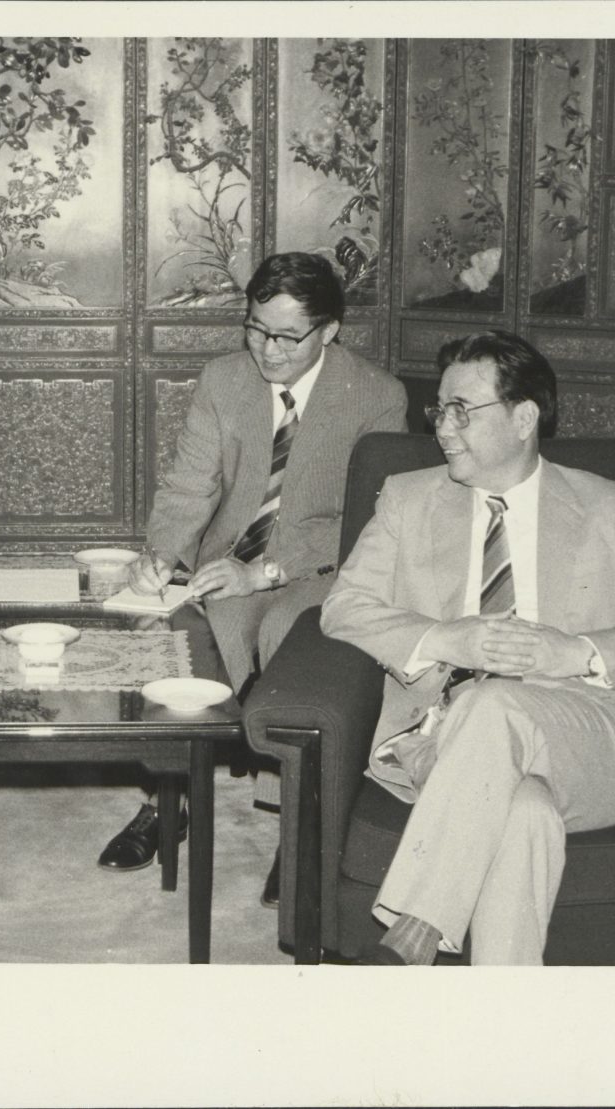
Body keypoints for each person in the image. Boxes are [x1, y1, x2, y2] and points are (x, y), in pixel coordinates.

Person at [321, 330, 615, 965]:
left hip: (589, 735)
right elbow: (343, 607)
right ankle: (501, 1029)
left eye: (462, 410)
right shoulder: (408, 498)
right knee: (524, 811)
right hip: (442, 742)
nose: (444, 427)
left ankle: (411, 934)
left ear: (524, 417)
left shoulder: (604, 506)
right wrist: (448, 637)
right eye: (439, 409)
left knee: (497, 706)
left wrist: (574, 652)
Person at [99, 251, 408, 884]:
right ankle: (165, 802)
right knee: (180, 637)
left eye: (288, 338)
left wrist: (269, 571)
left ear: (329, 331)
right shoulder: (223, 380)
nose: (267, 350)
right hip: (226, 564)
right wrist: (159, 555)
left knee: (288, 640)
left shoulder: (376, 396)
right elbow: (191, 485)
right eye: (255, 328)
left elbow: (368, 521)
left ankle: (298, 828)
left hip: (322, 568)